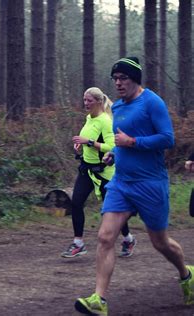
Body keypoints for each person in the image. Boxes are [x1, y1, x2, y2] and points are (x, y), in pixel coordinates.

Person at [75, 57, 194, 315]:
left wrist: (133, 142)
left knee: (160, 242)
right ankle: (99, 299)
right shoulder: (117, 107)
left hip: (150, 183)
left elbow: (167, 139)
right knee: (106, 236)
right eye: (115, 79)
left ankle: (187, 275)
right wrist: (114, 153)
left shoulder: (152, 102)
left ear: (135, 79)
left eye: (123, 78)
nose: (118, 83)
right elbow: (119, 141)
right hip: (122, 183)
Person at [61, 87, 136, 259]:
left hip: (104, 173)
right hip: (87, 170)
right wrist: (79, 146)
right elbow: (87, 143)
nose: (86, 104)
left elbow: (112, 147)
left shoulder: (105, 121)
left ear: (99, 102)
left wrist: (89, 141)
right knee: (76, 203)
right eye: (84, 100)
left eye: (89, 101)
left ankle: (128, 239)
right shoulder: (89, 118)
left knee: (113, 210)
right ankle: (78, 243)